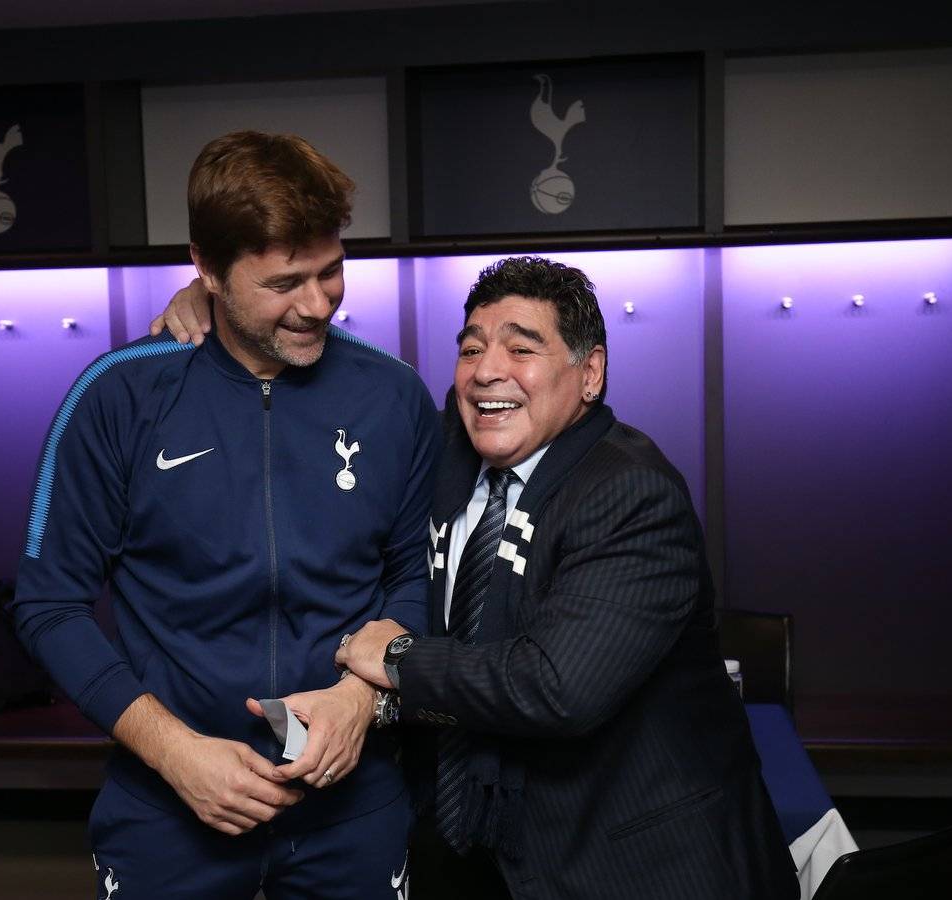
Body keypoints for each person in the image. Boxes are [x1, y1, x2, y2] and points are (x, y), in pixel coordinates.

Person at [161, 255, 800, 898]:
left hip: (636, 864)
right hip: (473, 853)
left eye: (522, 348)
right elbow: (347, 376)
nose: (488, 370)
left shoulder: (632, 492)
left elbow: (557, 687)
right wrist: (224, 300)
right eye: (471, 348)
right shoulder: (459, 443)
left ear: (590, 374)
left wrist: (397, 658)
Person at [11, 131, 440, 899]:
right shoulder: (117, 398)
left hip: (354, 815)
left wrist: (364, 700)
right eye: (284, 283)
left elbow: (419, 577)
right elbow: (49, 605)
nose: (318, 304)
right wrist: (173, 752)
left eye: (332, 272)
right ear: (205, 268)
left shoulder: (395, 396)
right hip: (168, 815)